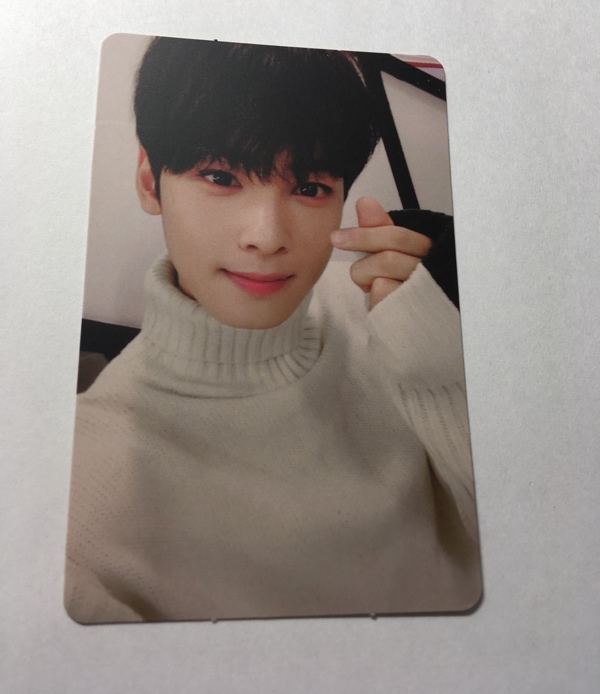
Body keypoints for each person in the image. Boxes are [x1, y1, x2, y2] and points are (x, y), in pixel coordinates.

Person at [65, 38, 481, 623]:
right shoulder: (84, 489)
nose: (266, 236)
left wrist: (451, 363)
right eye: (220, 176)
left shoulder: (395, 314)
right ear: (149, 181)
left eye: (309, 188)